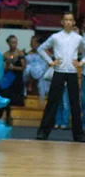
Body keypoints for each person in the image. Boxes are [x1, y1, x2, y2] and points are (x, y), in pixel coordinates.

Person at [36, 12, 85, 142]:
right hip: (58, 71)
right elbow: (41, 48)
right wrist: (50, 61)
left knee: (75, 104)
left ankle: (78, 134)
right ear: (62, 22)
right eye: (66, 20)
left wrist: (81, 62)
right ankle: (43, 132)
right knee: (52, 102)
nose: (68, 22)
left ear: (74, 22)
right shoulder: (56, 37)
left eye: (71, 20)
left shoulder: (78, 38)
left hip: (72, 72)